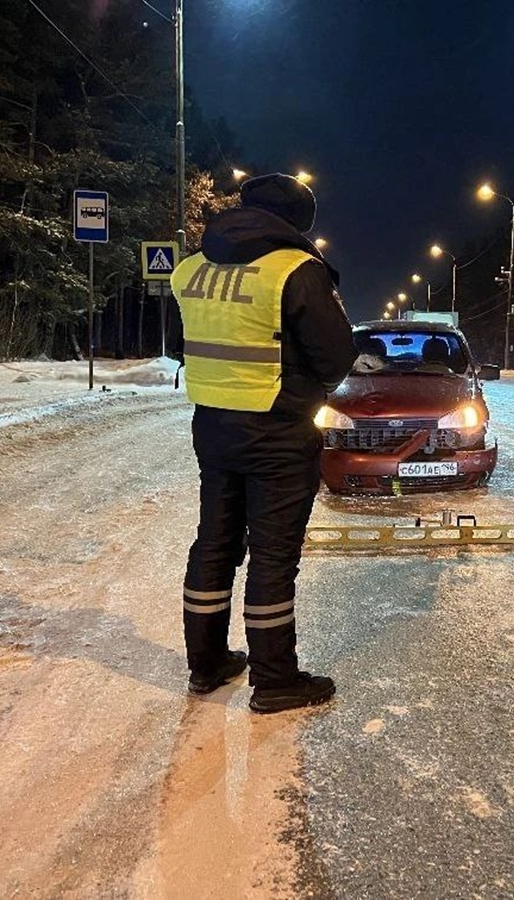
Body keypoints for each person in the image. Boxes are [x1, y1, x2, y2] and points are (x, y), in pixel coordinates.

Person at [169, 173, 357, 712]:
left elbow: (177, 341)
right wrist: (306, 388)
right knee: (273, 555)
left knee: (215, 543)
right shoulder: (295, 270)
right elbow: (335, 356)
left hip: (213, 427)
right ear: (297, 222)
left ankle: (205, 666)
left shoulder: (191, 268)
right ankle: (275, 681)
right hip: (277, 430)